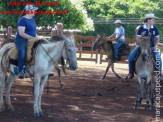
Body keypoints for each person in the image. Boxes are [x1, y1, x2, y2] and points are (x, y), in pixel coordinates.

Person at [128, 13, 162, 79]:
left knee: (158, 59)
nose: (154, 21)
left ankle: (159, 74)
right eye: (153, 19)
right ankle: (131, 73)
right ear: (148, 20)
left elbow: (157, 38)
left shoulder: (155, 28)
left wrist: (155, 45)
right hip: (141, 46)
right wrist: (143, 44)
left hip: (152, 47)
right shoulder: (141, 28)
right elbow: (138, 37)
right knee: (131, 57)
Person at [15, 5, 38, 79]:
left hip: (32, 39)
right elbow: (21, 33)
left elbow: (33, 31)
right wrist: (31, 38)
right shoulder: (22, 20)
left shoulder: (32, 19)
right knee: (22, 52)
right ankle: (21, 71)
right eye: (33, 10)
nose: (35, 12)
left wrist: (37, 37)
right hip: (21, 39)